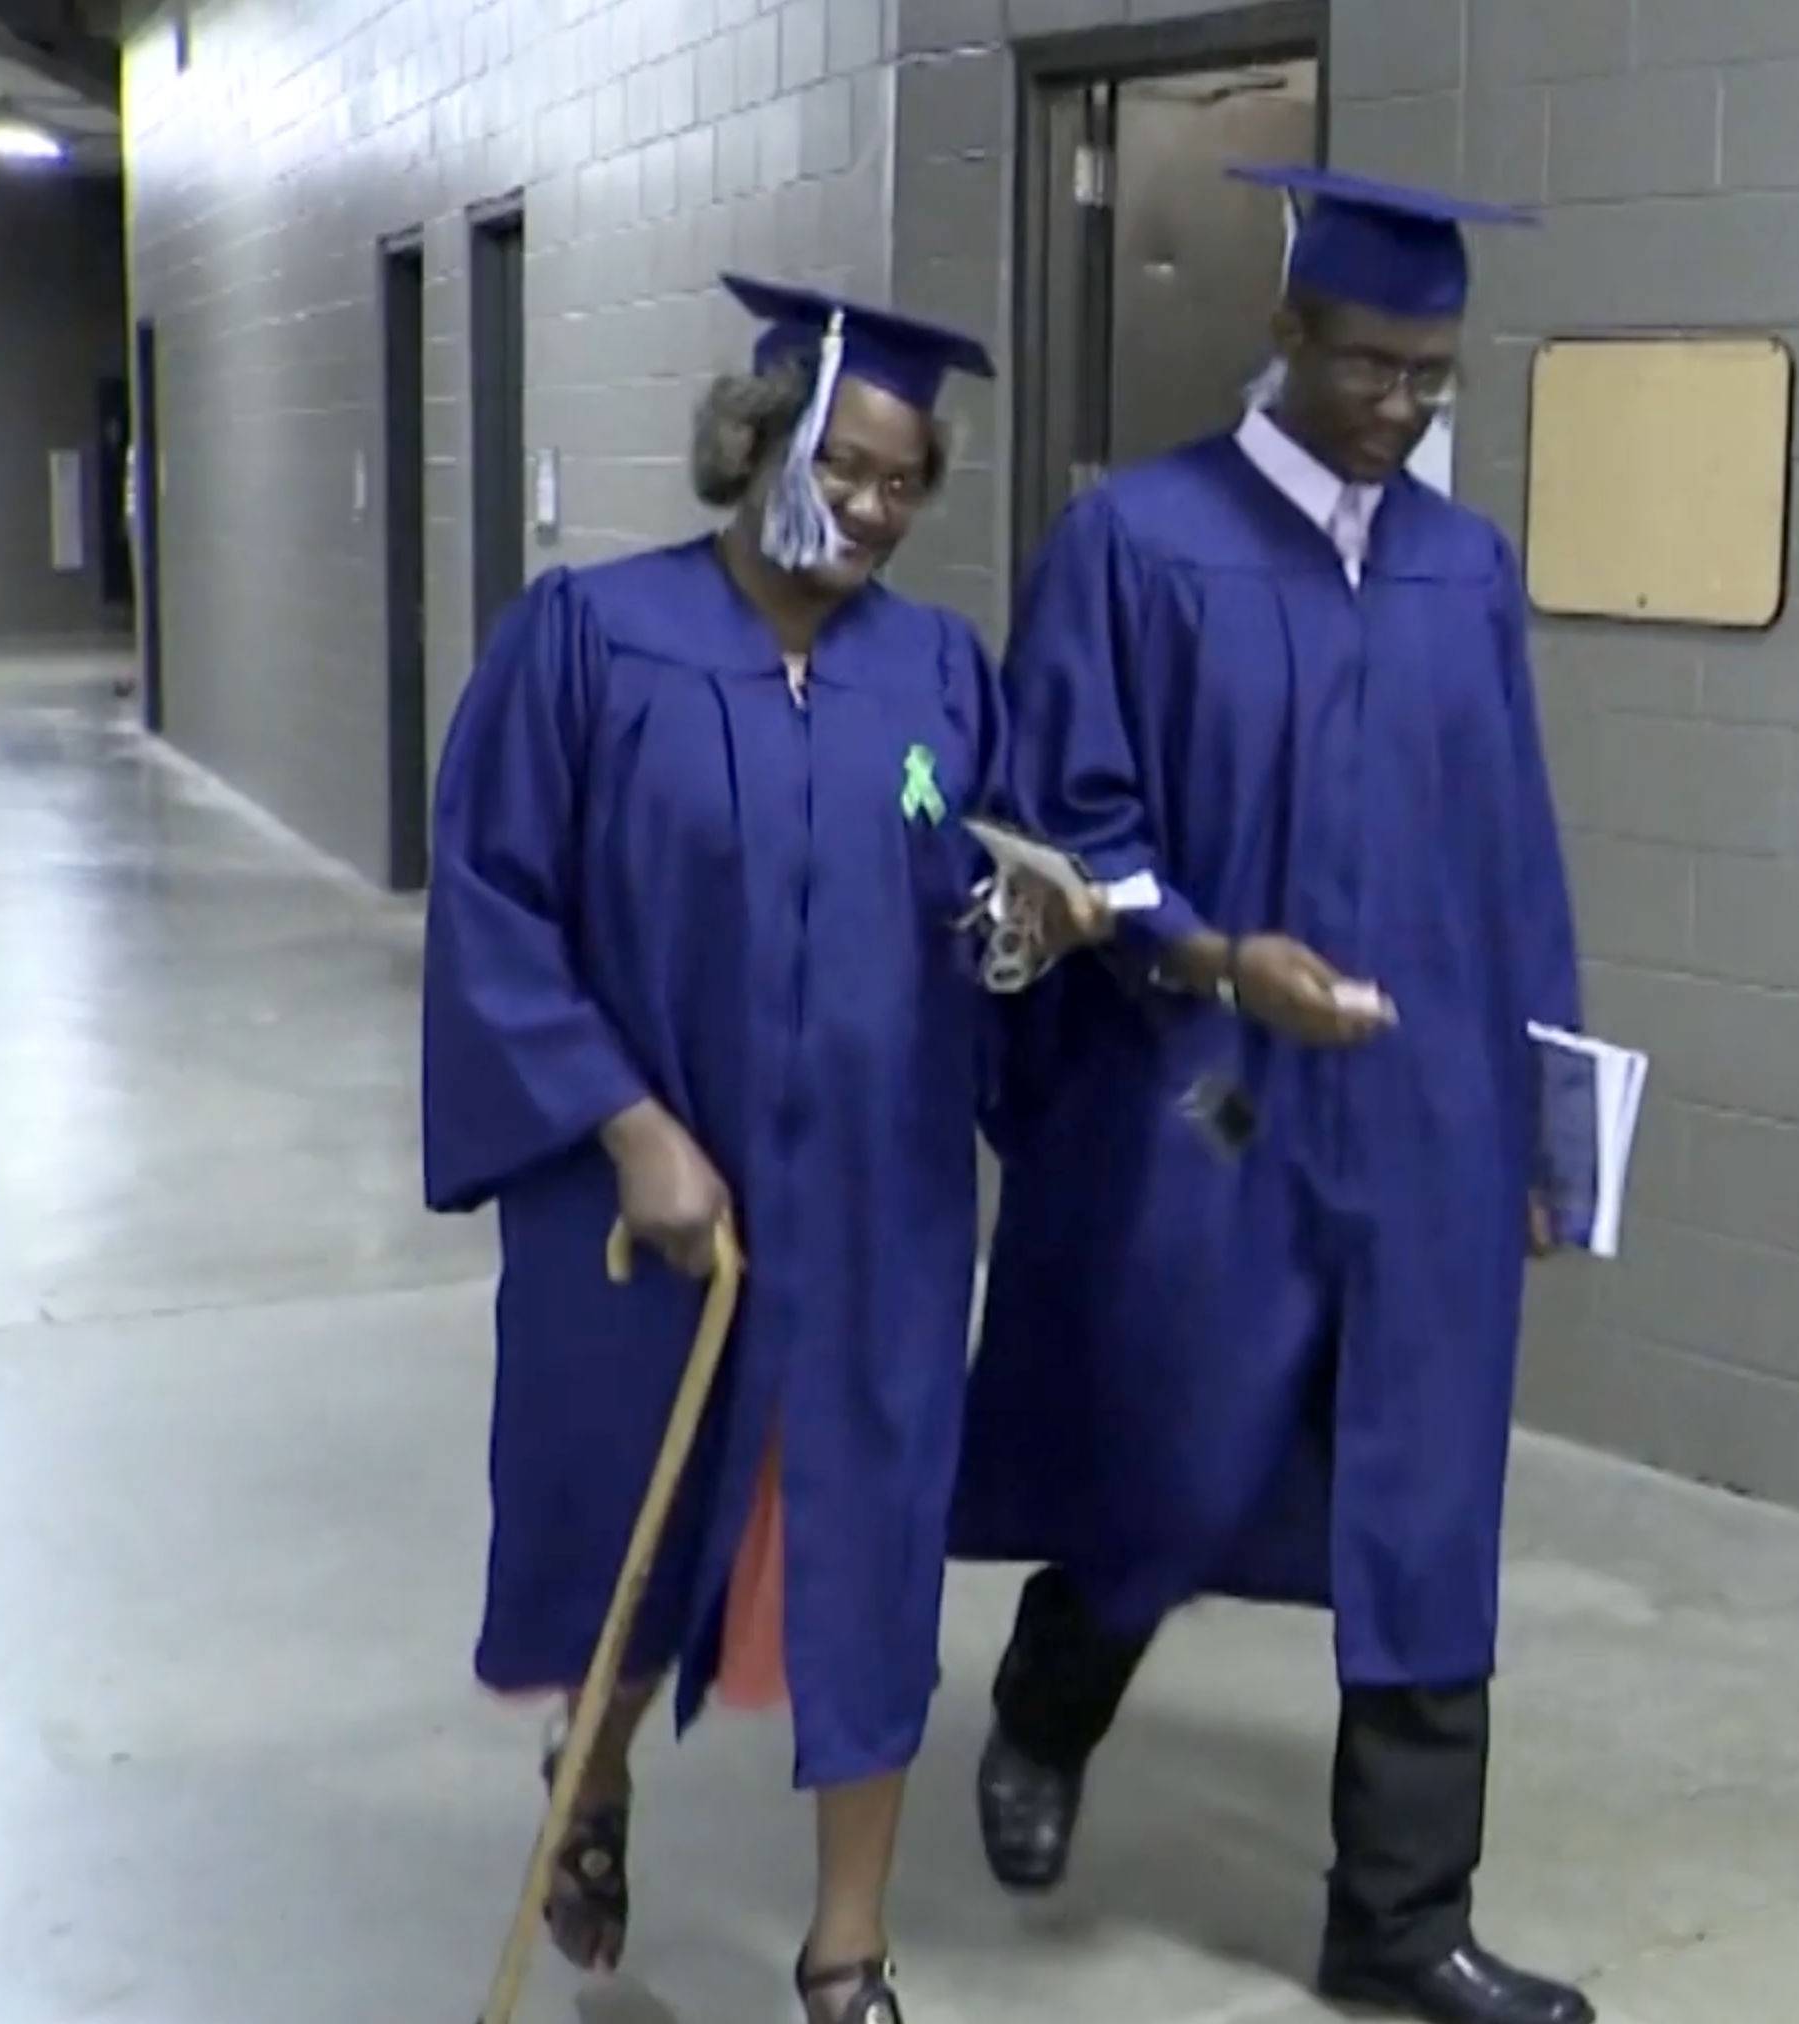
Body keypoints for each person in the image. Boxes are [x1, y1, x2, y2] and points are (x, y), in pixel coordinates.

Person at [421, 272, 1105, 2024]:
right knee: (627, 1533)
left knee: (865, 1554)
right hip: (646, 1209)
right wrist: (633, 1126)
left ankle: (848, 1952)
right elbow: (497, 909)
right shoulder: (586, 640)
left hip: (878, 1204)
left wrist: (1025, 930)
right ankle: (599, 1765)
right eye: (847, 467)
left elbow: (969, 903)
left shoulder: (941, 670)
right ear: (755, 448)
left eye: (906, 482)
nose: (873, 510)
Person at [952, 165, 1593, 2024]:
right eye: (1375, 365)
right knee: (1179, 1444)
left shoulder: (1463, 567)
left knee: (1426, 1495)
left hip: (1431, 1107)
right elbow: (1068, 827)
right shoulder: (1138, 543)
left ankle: (1400, 1921)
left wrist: (1541, 1123)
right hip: (1208, 1095)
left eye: (1435, 378)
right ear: (1287, 331)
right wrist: (1222, 959)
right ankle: (1046, 1703)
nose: (1403, 407)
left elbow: (1514, 858)